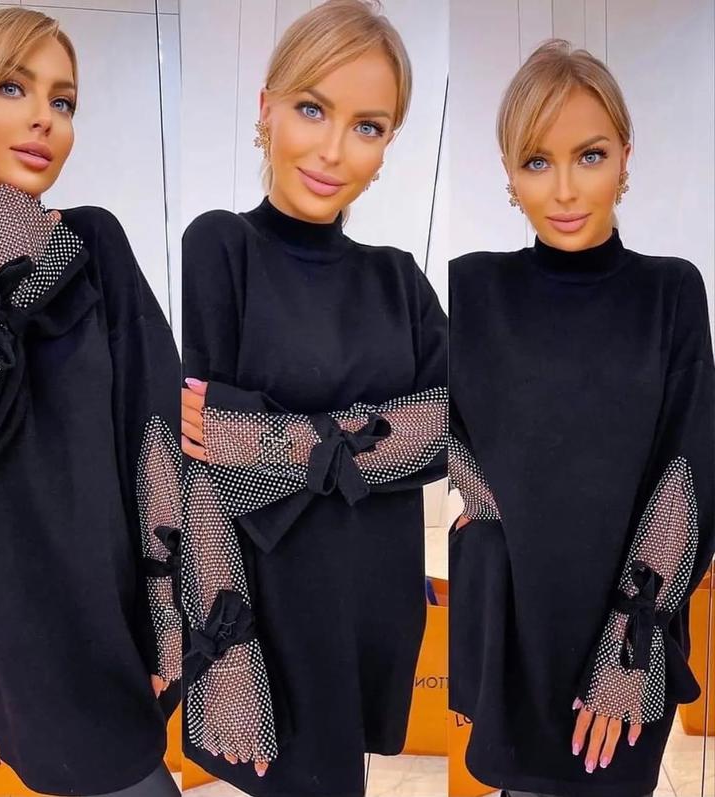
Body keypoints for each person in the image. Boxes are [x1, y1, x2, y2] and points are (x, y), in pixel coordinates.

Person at [180, 1, 447, 795]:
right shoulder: (221, 246)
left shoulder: (397, 277)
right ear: (266, 108)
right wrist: (228, 654)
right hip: (272, 613)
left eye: (367, 126)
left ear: (388, 143)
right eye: (311, 109)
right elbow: (201, 466)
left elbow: (451, 424)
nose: (334, 149)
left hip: (375, 601)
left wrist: (276, 440)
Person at [0, 8, 182, 796]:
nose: (45, 118)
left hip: (121, 597)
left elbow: (155, 427)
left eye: (62, 101)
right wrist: (4, 252)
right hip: (13, 617)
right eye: (13, 87)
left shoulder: (94, 242)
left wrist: (170, 606)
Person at [448, 39, 714, 797]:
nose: (564, 189)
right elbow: (432, 420)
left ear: (625, 155)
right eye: (537, 161)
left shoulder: (670, 293)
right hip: (517, 627)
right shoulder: (473, 289)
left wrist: (630, 646)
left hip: (632, 621)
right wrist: (481, 494)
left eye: (589, 155)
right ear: (509, 173)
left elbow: (687, 467)